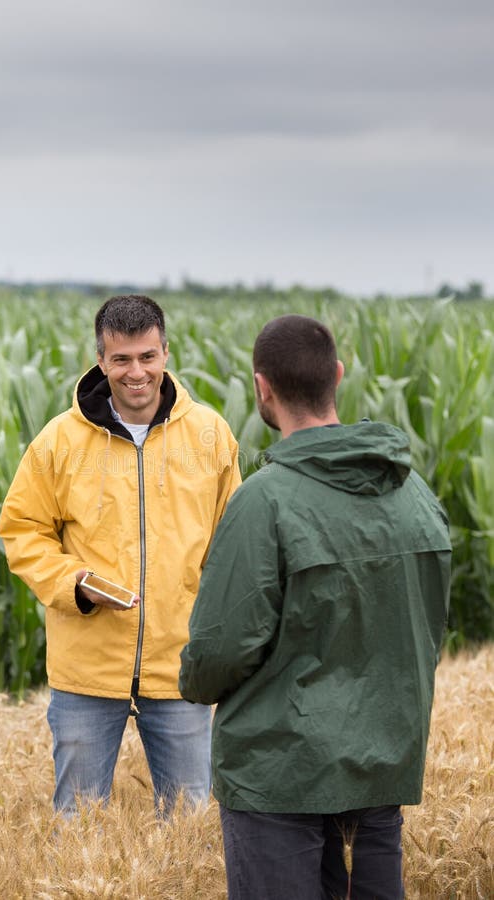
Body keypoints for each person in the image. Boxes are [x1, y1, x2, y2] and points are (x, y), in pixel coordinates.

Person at [179, 314, 451, 899]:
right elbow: (428, 626)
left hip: (278, 777)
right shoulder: (415, 495)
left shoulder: (264, 503)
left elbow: (218, 652)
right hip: (381, 767)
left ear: (261, 389)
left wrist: (193, 683)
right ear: (338, 376)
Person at [0, 294, 241, 815]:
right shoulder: (58, 442)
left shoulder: (211, 437)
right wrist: (74, 584)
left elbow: (233, 543)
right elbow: (21, 530)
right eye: (123, 359)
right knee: (78, 826)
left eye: (147, 357)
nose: (137, 372)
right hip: (86, 666)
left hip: (181, 663)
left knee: (190, 824)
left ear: (166, 353)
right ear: (102, 360)